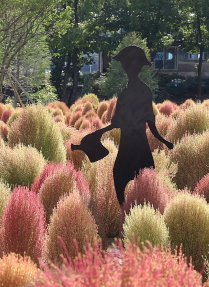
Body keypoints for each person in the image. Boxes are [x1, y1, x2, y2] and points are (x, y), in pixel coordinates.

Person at [74, 46, 173, 205]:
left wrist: (163, 140)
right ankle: (127, 213)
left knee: (132, 178)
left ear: (139, 66)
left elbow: (146, 120)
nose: (128, 68)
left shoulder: (139, 91)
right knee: (125, 176)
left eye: (130, 64)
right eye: (126, 64)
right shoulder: (129, 91)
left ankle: (137, 213)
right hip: (131, 144)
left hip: (135, 144)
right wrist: (99, 133)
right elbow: (120, 121)